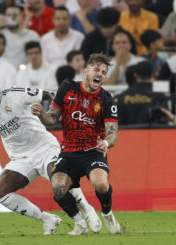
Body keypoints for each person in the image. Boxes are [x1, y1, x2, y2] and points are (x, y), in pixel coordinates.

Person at [0, 67, 102, 235]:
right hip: (21, 158)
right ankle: (53, 220)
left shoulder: (15, 94)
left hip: (45, 147)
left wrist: (51, 114)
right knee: (0, 192)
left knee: (59, 184)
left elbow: (50, 94)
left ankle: (87, 208)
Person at [31, 53, 121, 235]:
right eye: (97, 70)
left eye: (104, 72)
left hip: (93, 151)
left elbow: (112, 134)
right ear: (86, 71)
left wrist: (106, 142)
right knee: (58, 187)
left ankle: (107, 213)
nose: (100, 74)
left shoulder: (106, 99)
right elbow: (51, 119)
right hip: (69, 153)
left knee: (101, 184)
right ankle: (79, 223)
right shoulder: (67, 88)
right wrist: (41, 114)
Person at [115, 61, 168, 125]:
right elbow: (164, 120)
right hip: (152, 134)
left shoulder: (120, 98)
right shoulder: (160, 97)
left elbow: (116, 124)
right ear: (152, 74)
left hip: (128, 134)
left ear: (135, 75)